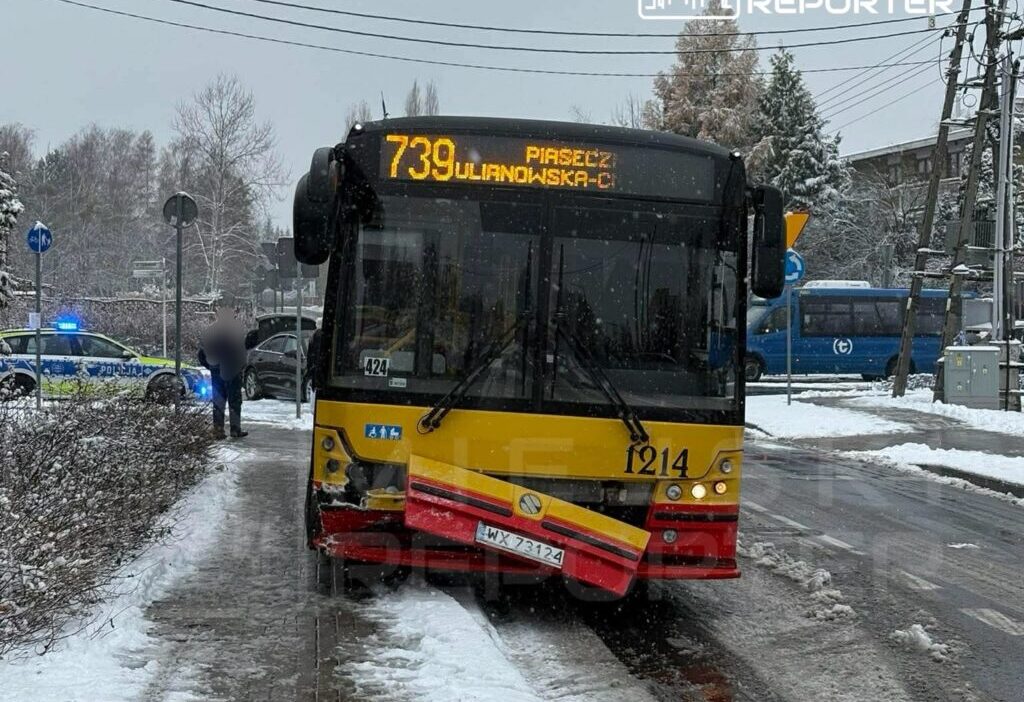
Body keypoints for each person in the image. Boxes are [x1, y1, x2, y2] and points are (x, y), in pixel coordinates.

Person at [199, 303, 249, 439]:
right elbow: (241, 352)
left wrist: (211, 366)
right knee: (235, 401)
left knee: (218, 402)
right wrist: (241, 367)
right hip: (232, 371)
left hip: (216, 370)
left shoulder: (211, 331)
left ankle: (218, 430)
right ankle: (235, 429)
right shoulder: (235, 331)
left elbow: (202, 353)